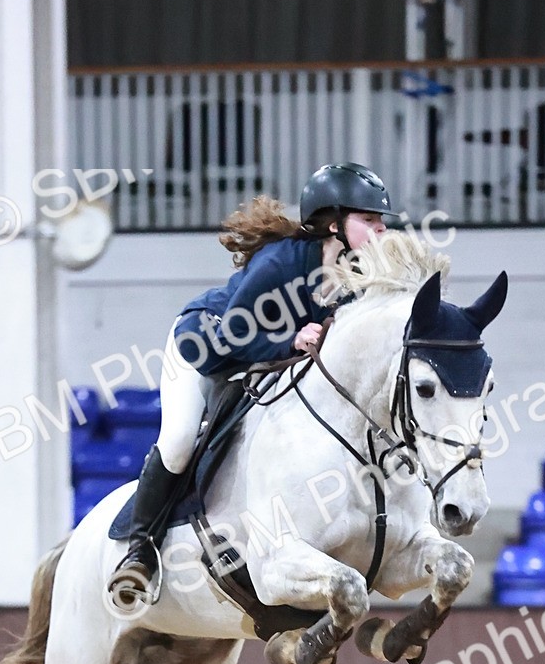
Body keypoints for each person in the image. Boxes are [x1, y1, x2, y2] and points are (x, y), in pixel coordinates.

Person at [107, 162, 394, 609]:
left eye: (381, 222)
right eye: (369, 219)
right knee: (180, 441)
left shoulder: (356, 277)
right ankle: (139, 550)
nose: (381, 230)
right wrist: (290, 339)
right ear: (334, 224)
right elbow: (232, 335)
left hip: (263, 364)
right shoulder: (281, 262)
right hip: (205, 349)